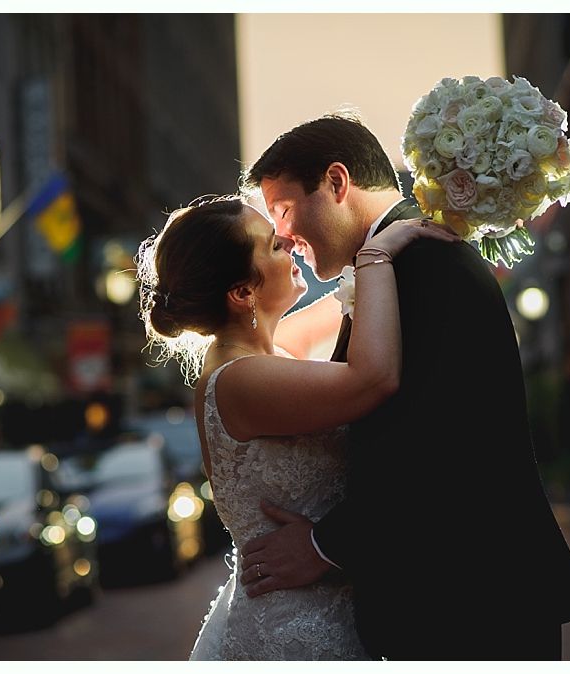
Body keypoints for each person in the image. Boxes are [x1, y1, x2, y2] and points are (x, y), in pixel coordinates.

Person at [236, 111, 570, 660]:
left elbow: (444, 443)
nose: (284, 235)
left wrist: (324, 545)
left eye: (284, 209)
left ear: (337, 183)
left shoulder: (424, 267)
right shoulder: (388, 265)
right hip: (448, 608)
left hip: (470, 611)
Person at [135, 193, 458, 660]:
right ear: (243, 293)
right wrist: (374, 256)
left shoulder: (263, 354)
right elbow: (374, 377)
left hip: (315, 600)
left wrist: (390, 228)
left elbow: (345, 305)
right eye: (272, 245)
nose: (288, 240)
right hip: (294, 626)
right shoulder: (243, 379)